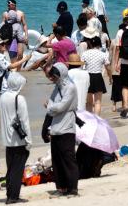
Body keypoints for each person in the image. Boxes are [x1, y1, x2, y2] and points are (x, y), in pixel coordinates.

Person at [45, 62, 79, 197]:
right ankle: (61, 187)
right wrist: (52, 107)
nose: (52, 78)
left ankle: (73, 188)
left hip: (67, 126)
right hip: (55, 127)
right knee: (57, 160)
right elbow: (52, 103)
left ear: (61, 74)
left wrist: (50, 108)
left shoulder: (70, 87)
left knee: (68, 159)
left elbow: (61, 106)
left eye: (54, 76)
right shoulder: (57, 87)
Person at [0, 71, 30, 204]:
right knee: (17, 169)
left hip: (7, 139)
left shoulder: (3, 97)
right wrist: (29, 140)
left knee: (11, 168)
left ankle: (9, 194)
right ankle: (13, 197)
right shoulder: (19, 98)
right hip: (18, 139)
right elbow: (24, 121)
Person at [80, 34, 110, 114]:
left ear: (90, 44)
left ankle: (89, 119)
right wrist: (110, 77)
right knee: (97, 102)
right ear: (99, 44)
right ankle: (97, 119)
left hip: (87, 77)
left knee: (88, 102)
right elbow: (108, 67)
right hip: (98, 77)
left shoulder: (85, 53)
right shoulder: (103, 54)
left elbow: (81, 66)